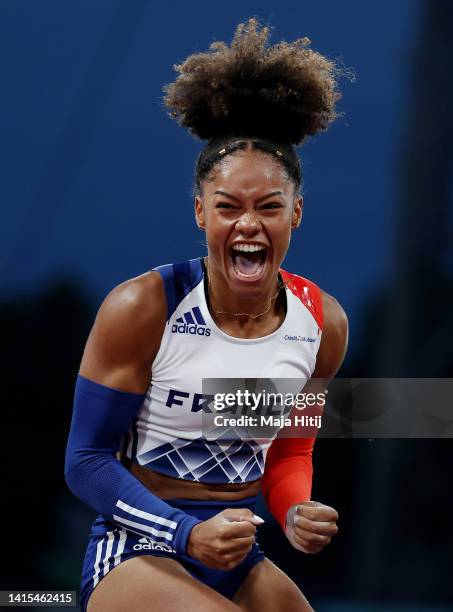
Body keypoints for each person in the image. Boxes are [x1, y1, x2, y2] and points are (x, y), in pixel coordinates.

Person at [65, 18, 348, 612]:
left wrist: (295, 508)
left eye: (269, 207)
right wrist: (184, 533)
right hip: (138, 547)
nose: (249, 224)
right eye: (229, 207)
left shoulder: (322, 324)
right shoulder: (143, 306)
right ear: (201, 213)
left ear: (296, 215)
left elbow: (290, 452)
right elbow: (85, 462)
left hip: (238, 554)